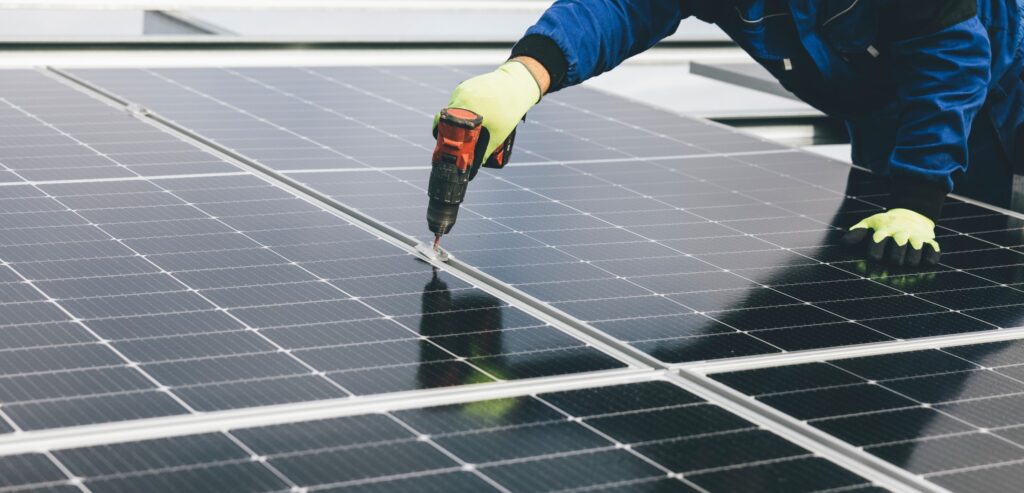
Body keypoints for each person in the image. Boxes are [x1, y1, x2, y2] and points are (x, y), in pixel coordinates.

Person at [436, 0, 1023, 268]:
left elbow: (951, 62)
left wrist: (918, 198)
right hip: (882, 108)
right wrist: (526, 73)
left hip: (998, 85)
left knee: (961, 259)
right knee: (872, 265)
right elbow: (620, 7)